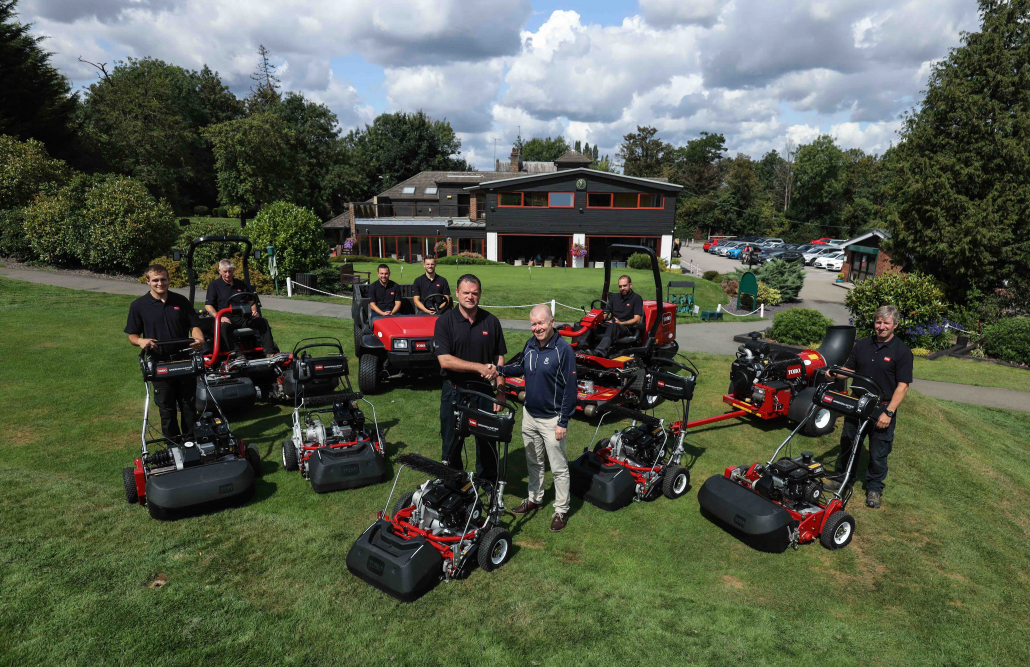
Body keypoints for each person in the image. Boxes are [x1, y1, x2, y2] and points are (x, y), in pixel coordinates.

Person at [492, 304, 577, 532]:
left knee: (558, 468)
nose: (537, 328)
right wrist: (499, 370)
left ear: (551, 321)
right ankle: (535, 498)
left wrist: (563, 421)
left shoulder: (563, 350)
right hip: (529, 414)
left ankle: (561, 509)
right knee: (534, 461)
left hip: (552, 420)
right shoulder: (530, 344)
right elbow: (520, 367)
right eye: (533, 324)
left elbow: (571, 389)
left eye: (540, 323)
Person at [825, 305, 913, 509]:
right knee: (848, 442)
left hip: (881, 408)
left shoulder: (902, 352)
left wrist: (889, 412)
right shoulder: (863, 345)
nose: (881, 327)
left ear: (895, 325)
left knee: (878, 451)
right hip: (856, 403)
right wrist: (835, 373)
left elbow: (903, 386)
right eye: (878, 322)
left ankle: (874, 489)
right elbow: (849, 370)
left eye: (886, 323)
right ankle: (842, 479)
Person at [433, 274, 507, 482]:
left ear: (480, 294)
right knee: (452, 442)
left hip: (484, 391)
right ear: (457, 294)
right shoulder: (445, 322)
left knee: (487, 440)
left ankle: (487, 484)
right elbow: (445, 360)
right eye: (466, 293)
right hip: (454, 390)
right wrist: (479, 367)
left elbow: (499, 358)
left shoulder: (491, 321)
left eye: (474, 293)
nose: (470, 297)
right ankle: (452, 484)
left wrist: (500, 391)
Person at [125, 264, 205, 439]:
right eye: (155, 280)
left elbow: (194, 325)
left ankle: (192, 441)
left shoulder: (181, 301)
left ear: (168, 280)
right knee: (167, 408)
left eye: (163, 279)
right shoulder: (138, 306)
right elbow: (132, 335)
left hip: (185, 360)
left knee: (188, 406)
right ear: (148, 281)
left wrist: (198, 339)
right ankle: (173, 445)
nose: (160, 283)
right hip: (160, 362)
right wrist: (141, 341)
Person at [204, 258, 278, 356]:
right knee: (224, 327)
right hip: (226, 318)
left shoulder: (240, 284)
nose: (227, 274)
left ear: (233, 271)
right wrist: (219, 317)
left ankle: (270, 352)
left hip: (243, 317)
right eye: (225, 272)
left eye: (230, 271)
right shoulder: (214, 285)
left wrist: (254, 311)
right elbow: (208, 305)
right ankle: (237, 354)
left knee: (262, 322)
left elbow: (251, 300)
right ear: (219, 271)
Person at [593, 274, 644, 357]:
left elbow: (637, 320)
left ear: (630, 285)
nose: (622, 288)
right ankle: (582, 348)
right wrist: (594, 319)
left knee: (614, 326)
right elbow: (605, 314)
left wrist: (621, 323)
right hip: (612, 325)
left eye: (624, 286)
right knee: (588, 324)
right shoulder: (614, 297)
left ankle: (599, 352)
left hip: (626, 327)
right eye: (620, 286)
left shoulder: (636, 298)